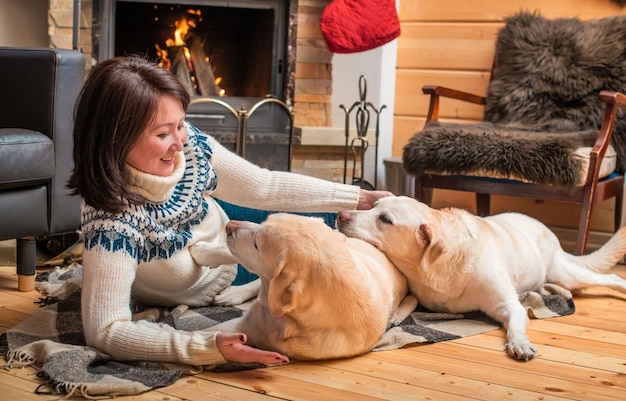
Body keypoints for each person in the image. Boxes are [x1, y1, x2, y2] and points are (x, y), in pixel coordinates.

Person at [67, 55, 392, 368]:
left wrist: (358, 198)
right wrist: (206, 346)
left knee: (365, 225)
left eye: (180, 125)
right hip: (231, 268)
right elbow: (105, 331)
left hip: (225, 222)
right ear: (115, 140)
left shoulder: (187, 144)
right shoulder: (111, 225)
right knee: (327, 253)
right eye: (163, 134)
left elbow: (264, 186)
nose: (180, 143)